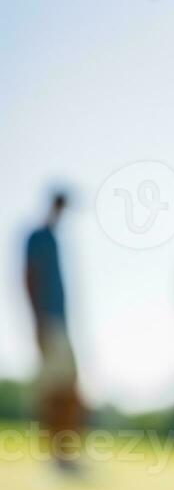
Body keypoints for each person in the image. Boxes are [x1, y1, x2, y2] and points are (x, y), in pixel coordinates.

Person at [25, 191, 82, 472]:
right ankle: (55, 459)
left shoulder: (54, 239)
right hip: (47, 322)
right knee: (54, 393)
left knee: (69, 389)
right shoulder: (38, 236)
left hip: (60, 322)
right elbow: (29, 277)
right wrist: (37, 322)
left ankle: (65, 455)